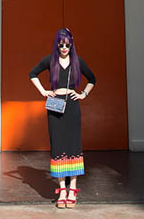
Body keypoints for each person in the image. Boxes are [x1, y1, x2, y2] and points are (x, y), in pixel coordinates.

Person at [29, 27, 96, 208]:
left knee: (74, 144)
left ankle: (73, 188)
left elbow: (92, 79)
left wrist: (83, 94)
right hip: (55, 106)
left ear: (71, 45)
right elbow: (32, 74)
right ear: (57, 45)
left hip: (72, 106)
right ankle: (62, 190)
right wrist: (44, 91)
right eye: (61, 45)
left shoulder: (77, 61)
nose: (64, 48)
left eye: (67, 45)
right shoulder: (50, 60)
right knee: (58, 145)